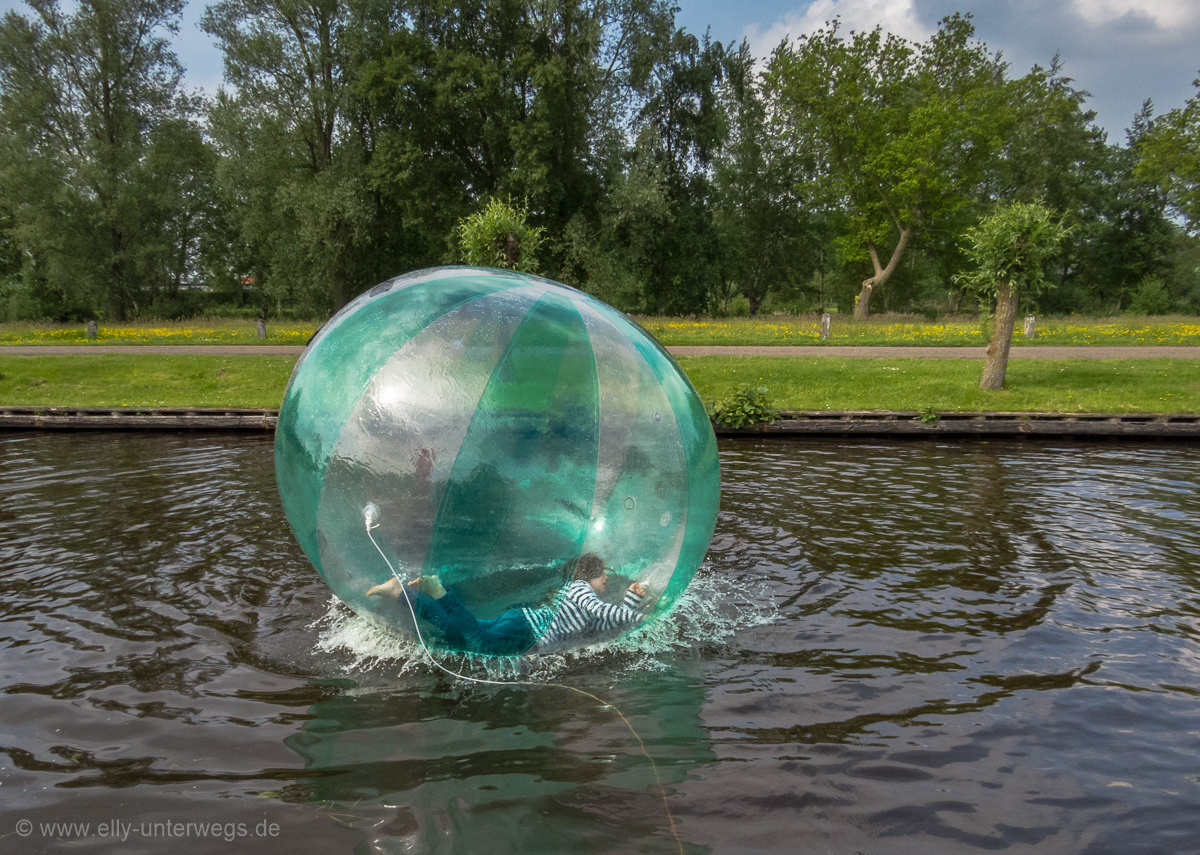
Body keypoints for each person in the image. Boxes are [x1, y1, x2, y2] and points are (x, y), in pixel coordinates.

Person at [366, 553, 646, 656]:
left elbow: (605, 621)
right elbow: (601, 610)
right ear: (589, 575)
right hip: (526, 633)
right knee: (481, 643)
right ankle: (438, 590)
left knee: (455, 631)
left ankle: (401, 593)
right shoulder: (579, 588)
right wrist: (638, 619)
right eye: (602, 573)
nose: (607, 577)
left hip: (521, 623)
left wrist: (631, 600)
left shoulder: (584, 598)